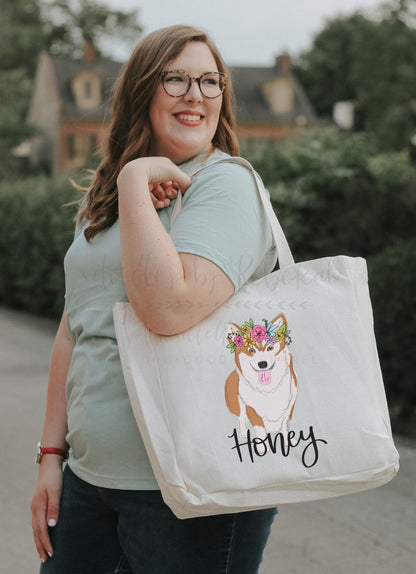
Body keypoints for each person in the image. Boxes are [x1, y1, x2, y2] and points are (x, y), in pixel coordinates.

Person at [31, 24, 277, 573]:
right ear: (142, 90)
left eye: (210, 81)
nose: (196, 95)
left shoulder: (226, 185)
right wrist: (51, 457)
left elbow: (167, 309)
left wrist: (134, 178)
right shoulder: (105, 197)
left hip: (190, 490)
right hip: (89, 481)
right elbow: (74, 328)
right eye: (176, 78)